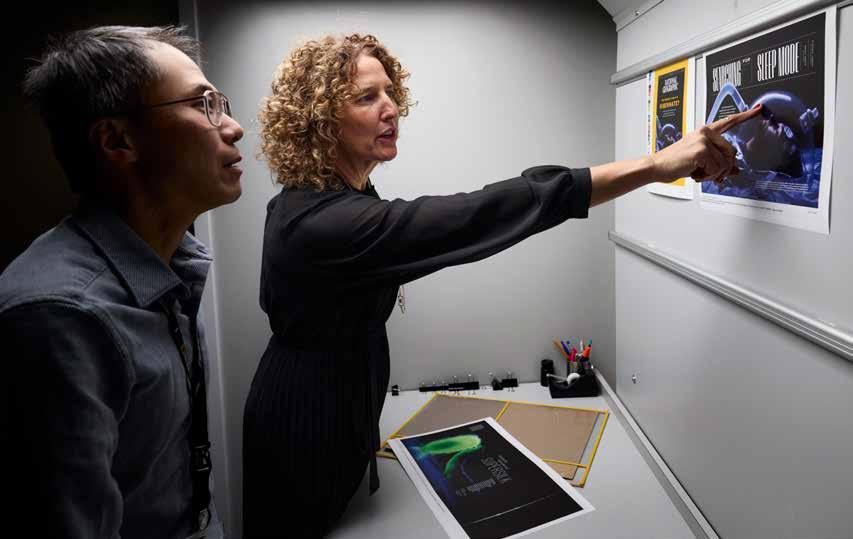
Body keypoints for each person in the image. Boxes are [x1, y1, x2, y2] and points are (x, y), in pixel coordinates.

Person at [243, 33, 761, 537]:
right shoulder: (323, 224)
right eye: (366, 98)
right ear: (320, 122)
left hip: (342, 407)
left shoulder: (333, 199)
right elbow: (479, 215)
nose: (391, 108)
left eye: (389, 93)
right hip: (307, 423)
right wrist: (654, 165)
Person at [0, 26, 244, 538]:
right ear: (117, 140)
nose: (234, 127)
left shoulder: (175, 267)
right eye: (203, 105)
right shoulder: (61, 316)